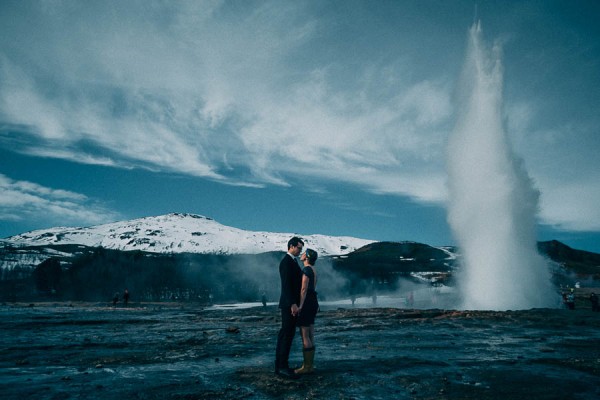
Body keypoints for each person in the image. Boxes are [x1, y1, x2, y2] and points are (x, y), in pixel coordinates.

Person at [274, 237, 304, 378]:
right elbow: (286, 286)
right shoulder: (286, 262)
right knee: (287, 335)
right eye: (299, 248)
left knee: (285, 334)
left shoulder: (292, 261)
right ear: (291, 246)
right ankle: (282, 367)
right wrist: (293, 303)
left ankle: (280, 365)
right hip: (289, 304)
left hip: (289, 303)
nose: (300, 250)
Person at [295, 248, 319, 374]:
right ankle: (310, 365)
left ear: (307, 257)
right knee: (311, 334)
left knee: (305, 334)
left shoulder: (306, 270)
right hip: (314, 301)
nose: (302, 254)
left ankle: (306, 367)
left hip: (307, 302)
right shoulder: (314, 270)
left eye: (304, 253)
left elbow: (304, 289)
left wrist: (300, 306)